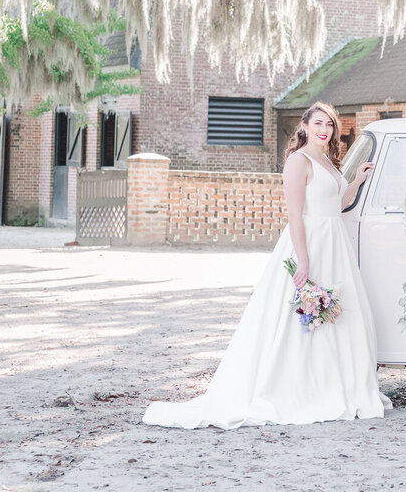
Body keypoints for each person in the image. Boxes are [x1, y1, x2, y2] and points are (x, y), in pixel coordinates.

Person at [144, 101, 390, 428]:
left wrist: (355, 181)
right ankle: (297, 389)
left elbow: (338, 204)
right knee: (299, 318)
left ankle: (339, 385)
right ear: (304, 126)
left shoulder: (328, 163)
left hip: (335, 244)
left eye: (329, 125)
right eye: (318, 123)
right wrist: (303, 259)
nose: (324, 130)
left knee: (339, 315)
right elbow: (295, 215)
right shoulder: (298, 162)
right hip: (310, 243)